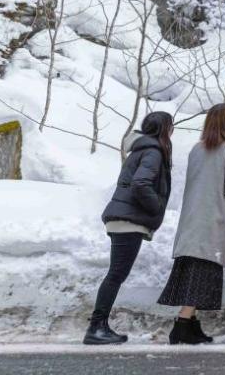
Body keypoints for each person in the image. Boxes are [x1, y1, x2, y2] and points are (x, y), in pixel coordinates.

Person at [84, 112, 174, 345]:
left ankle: (99, 326)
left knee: (115, 274)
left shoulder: (142, 149)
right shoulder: (153, 152)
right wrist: (155, 207)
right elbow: (141, 183)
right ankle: (96, 327)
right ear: (164, 129)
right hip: (128, 221)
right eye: (170, 127)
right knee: (115, 275)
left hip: (122, 219)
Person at [158, 104, 225, 345]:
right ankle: (182, 325)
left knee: (193, 271)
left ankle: (191, 326)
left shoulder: (197, 148)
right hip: (213, 219)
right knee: (201, 274)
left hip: (191, 219)